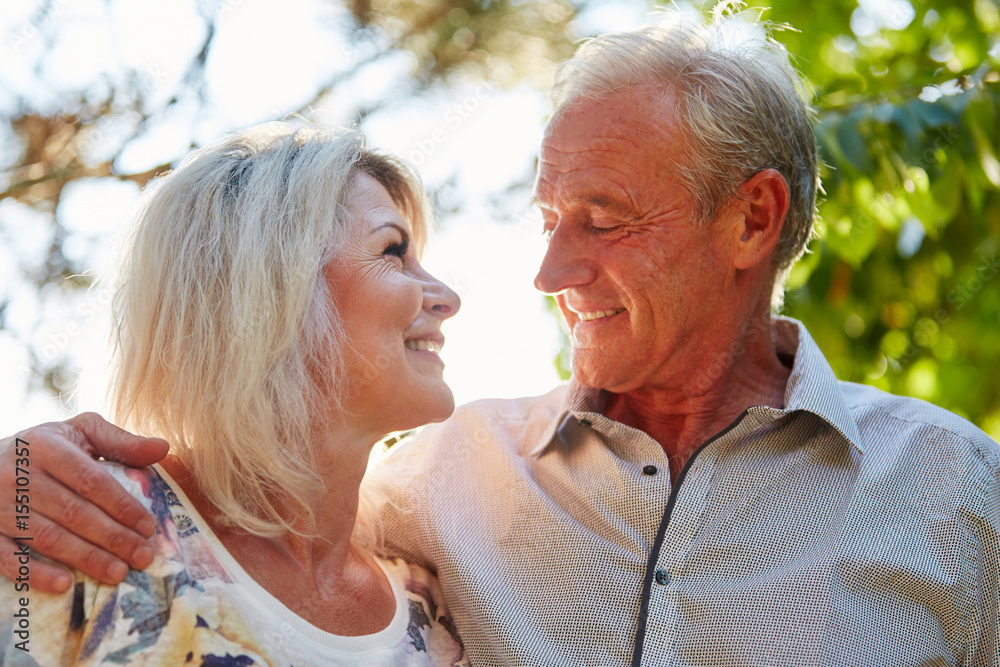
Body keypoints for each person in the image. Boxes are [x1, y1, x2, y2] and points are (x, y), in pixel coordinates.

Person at [3, 7, 999, 666]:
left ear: (749, 220)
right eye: (547, 219)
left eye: (603, 220)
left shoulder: (954, 496)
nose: (546, 274)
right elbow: (241, 500)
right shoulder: (424, 488)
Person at [0, 124, 469, 665]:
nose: (447, 298)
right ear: (270, 296)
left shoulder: (430, 607)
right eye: (392, 252)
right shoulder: (79, 520)